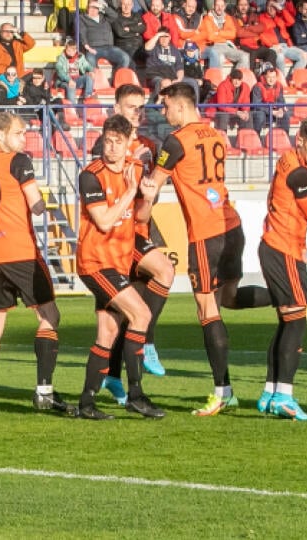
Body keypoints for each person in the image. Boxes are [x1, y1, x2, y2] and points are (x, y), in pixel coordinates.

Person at [151, 82, 271, 416]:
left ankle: (223, 391)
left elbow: (153, 186)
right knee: (228, 299)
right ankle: (285, 295)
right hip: (231, 225)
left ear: (181, 106)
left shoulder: (176, 141)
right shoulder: (215, 134)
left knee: (207, 309)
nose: (164, 113)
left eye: (166, 107)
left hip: (205, 234)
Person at [0, 111, 70, 416]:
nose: (23, 139)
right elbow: (35, 204)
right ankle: (44, 392)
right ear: (0, 135)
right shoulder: (19, 161)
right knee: (49, 316)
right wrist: (45, 203)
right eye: (17, 133)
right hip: (20, 252)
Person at [74, 115, 165, 420]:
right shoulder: (91, 174)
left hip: (119, 260)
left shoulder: (136, 169)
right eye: (107, 140)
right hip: (95, 262)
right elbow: (103, 221)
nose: (110, 147)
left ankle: (86, 403)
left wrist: (148, 199)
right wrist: (129, 191)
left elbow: (139, 218)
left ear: (128, 144)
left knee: (108, 331)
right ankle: (136, 395)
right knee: (141, 314)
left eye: (117, 142)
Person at [90, 83, 175, 402]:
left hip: (140, 224)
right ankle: (148, 342)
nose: (138, 112)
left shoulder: (149, 146)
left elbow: (148, 195)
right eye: (130, 106)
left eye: (141, 107)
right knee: (164, 271)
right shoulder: (110, 146)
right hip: (117, 236)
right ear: (116, 109)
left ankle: (112, 377)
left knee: (121, 314)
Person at [257, 115, 307, 420]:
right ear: (300, 139)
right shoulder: (299, 171)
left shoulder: (292, 163)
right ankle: (284, 396)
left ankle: (270, 391)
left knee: (287, 321)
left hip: (280, 247)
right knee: (297, 321)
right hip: (283, 249)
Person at [77, 0, 131, 70]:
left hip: (109, 48)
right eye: (91, 7)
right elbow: (82, 32)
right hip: (93, 49)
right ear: (87, 8)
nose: (93, 10)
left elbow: (115, 16)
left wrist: (102, 6)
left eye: (95, 7)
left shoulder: (105, 18)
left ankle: (118, 78)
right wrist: (87, 46)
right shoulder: (82, 18)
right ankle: (97, 79)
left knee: (125, 58)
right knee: (90, 60)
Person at [198, 0, 251, 69]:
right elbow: (210, 37)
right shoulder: (207, 19)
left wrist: (218, 33)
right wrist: (225, 36)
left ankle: (235, 78)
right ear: (213, 6)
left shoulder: (228, 18)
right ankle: (217, 79)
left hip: (227, 45)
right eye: (217, 5)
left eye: (222, 6)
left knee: (245, 56)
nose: (220, 8)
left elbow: (233, 34)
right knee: (218, 58)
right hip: (214, 46)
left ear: (225, 7)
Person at [251, 62, 290, 132]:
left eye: (273, 77)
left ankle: (284, 139)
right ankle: (256, 139)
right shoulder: (257, 87)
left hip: (274, 111)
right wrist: (271, 111)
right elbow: (257, 105)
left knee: (285, 115)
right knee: (259, 115)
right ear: (265, 77)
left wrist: (281, 109)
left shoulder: (279, 86)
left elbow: (281, 100)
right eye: (269, 77)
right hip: (262, 111)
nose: (271, 80)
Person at [55, 37, 94, 104]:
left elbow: (87, 65)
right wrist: (69, 80)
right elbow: (60, 72)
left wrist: (91, 70)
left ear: (75, 50)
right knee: (71, 86)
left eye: (72, 50)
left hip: (77, 79)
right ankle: (72, 108)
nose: (70, 52)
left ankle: (88, 97)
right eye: (68, 50)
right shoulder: (60, 58)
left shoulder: (80, 57)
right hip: (64, 81)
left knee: (88, 77)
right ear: (65, 49)